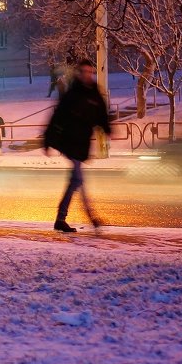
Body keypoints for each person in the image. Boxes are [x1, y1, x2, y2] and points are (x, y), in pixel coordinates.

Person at [43, 59, 111, 233]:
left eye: (90, 72)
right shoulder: (72, 94)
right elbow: (57, 117)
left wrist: (107, 128)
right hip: (69, 143)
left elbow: (101, 115)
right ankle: (90, 218)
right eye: (84, 72)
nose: (88, 75)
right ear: (79, 73)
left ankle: (61, 219)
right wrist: (48, 140)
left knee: (75, 181)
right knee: (78, 180)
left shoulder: (94, 93)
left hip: (82, 145)